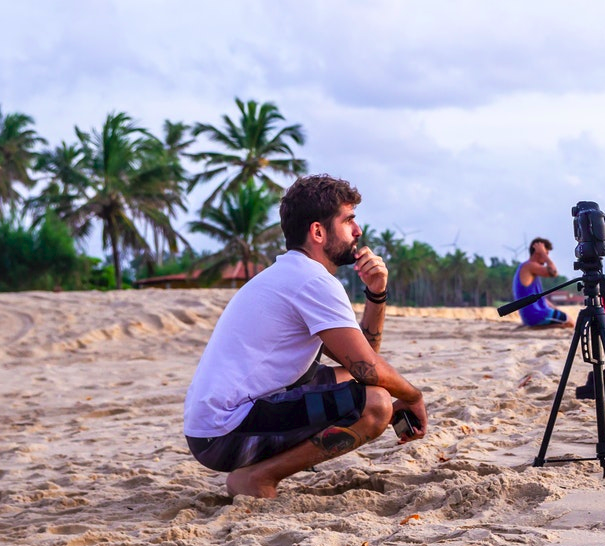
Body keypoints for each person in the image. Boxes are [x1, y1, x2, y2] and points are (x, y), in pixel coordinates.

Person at [183, 174, 427, 498]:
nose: (358, 231)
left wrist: (376, 294)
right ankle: (258, 477)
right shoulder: (312, 281)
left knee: (363, 386)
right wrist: (413, 396)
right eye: (349, 221)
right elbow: (366, 368)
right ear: (318, 231)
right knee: (378, 405)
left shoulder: (292, 274)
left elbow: (362, 360)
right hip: (224, 432)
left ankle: (256, 472)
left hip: (212, 428)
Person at [511, 237, 572, 328]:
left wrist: (556, 309)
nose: (547, 256)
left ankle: (538, 327)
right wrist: (543, 253)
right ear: (538, 252)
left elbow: (542, 299)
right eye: (546, 253)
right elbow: (554, 272)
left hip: (532, 316)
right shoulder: (529, 266)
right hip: (537, 315)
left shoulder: (528, 268)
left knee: (564, 318)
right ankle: (536, 328)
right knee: (570, 322)